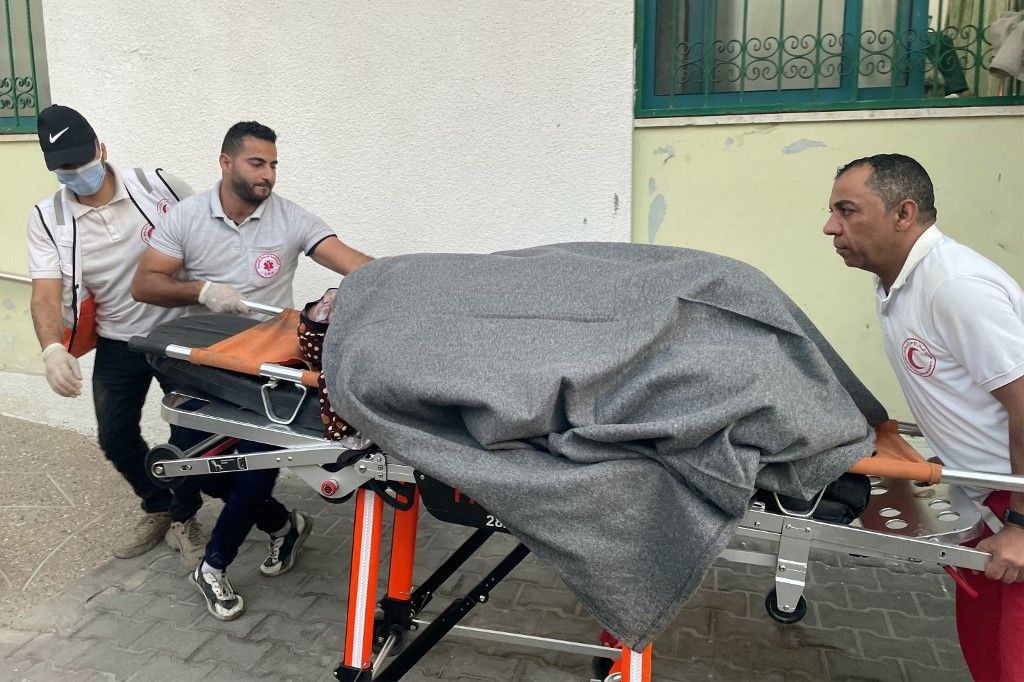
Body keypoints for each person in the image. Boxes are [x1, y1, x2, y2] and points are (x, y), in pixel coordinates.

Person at [131, 120, 372, 620]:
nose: (268, 175)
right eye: (257, 163)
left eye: (274, 165)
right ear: (226, 163)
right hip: (199, 360)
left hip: (264, 367)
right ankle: (285, 526)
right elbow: (145, 284)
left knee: (255, 464)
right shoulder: (187, 217)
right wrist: (200, 291)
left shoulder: (290, 219)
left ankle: (213, 566)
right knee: (196, 466)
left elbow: (354, 262)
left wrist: (403, 282)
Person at [824, 153, 1024, 681]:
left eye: (847, 211)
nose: (830, 227)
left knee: (1011, 659)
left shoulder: (955, 286)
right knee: (985, 649)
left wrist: (1023, 526)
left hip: (1015, 499)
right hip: (982, 491)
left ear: (903, 213)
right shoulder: (894, 281)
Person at [25, 104, 209, 566]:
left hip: (179, 335)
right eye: (63, 169)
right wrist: (51, 348)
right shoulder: (48, 219)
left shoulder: (159, 185)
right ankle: (159, 505)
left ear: (101, 149)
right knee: (113, 436)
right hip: (118, 339)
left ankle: (187, 518)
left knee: (190, 434)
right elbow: (45, 293)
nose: (75, 174)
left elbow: (209, 238)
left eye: (81, 162)